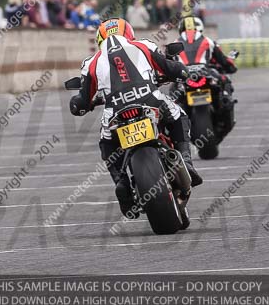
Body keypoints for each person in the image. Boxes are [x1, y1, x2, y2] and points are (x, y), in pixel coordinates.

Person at [68, 18, 202, 219]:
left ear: (99, 39)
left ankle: (121, 184)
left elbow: (83, 100)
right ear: (128, 33)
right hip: (150, 101)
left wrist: (78, 105)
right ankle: (187, 161)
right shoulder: (144, 45)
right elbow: (170, 68)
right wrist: (182, 72)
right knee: (179, 115)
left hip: (115, 112)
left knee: (106, 142)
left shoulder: (91, 63)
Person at [175, 16, 238, 137]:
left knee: (173, 93)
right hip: (206, 73)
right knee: (225, 81)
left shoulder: (174, 44)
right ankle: (225, 102)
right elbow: (224, 61)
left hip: (184, 77)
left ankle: (178, 117)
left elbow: (166, 65)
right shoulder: (209, 41)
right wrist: (231, 66)